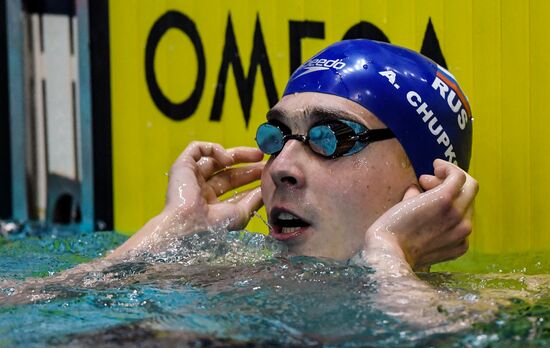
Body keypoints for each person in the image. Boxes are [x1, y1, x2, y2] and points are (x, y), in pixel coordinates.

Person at [109, 39, 478, 274]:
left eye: (333, 136)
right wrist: (175, 231)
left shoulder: (496, 310)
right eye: (279, 136)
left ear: (430, 187)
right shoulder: (220, 286)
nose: (281, 167)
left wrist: (387, 256)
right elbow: (52, 312)